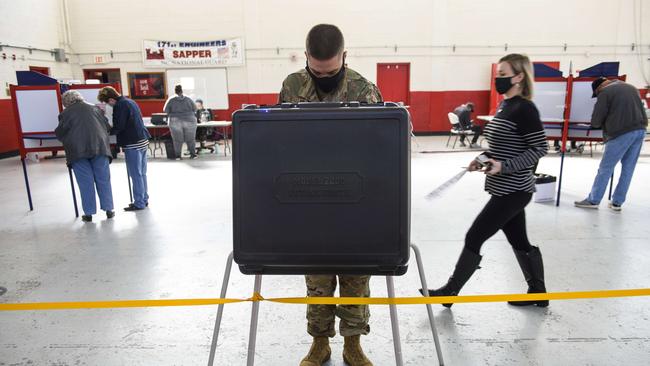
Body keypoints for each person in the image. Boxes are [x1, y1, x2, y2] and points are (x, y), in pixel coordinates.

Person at [279, 24, 382, 366]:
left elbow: (379, 150)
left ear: (344, 58)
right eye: (317, 70)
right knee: (318, 279)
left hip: (355, 201)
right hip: (309, 202)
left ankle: (353, 345)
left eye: (333, 71)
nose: (324, 76)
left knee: (356, 278)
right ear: (306, 57)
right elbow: (282, 144)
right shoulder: (292, 86)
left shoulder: (364, 89)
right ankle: (319, 344)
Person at [420, 54, 550, 308]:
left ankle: (450, 292)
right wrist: (482, 158)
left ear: (520, 76)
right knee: (519, 241)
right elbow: (502, 145)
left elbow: (539, 148)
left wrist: (504, 166)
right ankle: (539, 292)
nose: (498, 79)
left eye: (504, 74)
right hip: (502, 188)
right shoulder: (505, 105)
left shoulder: (524, 108)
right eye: (498, 74)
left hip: (514, 190)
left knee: (474, 236)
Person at [574, 77, 648, 211]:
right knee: (628, 169)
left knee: (605, 168)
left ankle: (593, 200)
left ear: (598, 89)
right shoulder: (631, 87)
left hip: (620, 133)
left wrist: (597, 124)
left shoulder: (605, 93)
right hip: (640, 131)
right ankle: (617, 203)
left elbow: (596, 120)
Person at [55, 90, 114, 222]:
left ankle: (88, 213)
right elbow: (107, 126)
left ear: (66, 102)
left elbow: (60, 133)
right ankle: (109, 209)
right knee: (103, 179)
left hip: (77, 152)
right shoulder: (95, 109)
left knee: (85, 182)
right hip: (100, 148)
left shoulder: (65, 113)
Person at [98, 86, 151, 211]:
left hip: (132, 143)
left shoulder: (119, 106)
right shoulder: (130, 101)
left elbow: (119, 126)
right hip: (142, 140)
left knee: (135, 174)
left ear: (111, 99)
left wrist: (106, 131)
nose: (108, 105)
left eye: (107, 102)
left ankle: (139, 203)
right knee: (142, 173)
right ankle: (144, 199)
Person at [164, 84, 198, 159]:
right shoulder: (188, 99)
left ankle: (178, 156)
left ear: (175, 91)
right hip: (190, 120)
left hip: (175, 121)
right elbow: (195, 109)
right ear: (182, 90)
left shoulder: (171, 99)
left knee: (177, 140)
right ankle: (193, 155)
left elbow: (165, 110)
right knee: (191, 139)